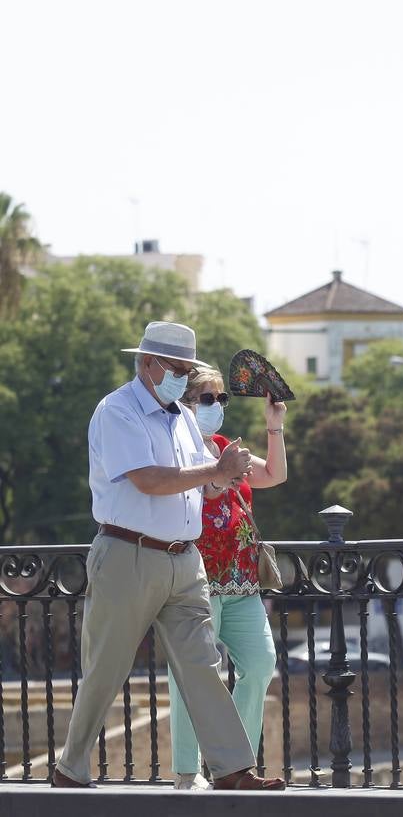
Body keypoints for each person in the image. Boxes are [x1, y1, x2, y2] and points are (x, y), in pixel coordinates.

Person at [53, 321, 285, 791]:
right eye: (176, 368)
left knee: (203, 664)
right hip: (128, 555)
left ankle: (231, 769)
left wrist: (223, 478)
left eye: (186, 368)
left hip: (184, 560)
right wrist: (213, 470)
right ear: (146, 363)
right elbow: (149, 479)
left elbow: (198, 485)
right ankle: (70, 769)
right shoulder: (117, 411)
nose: (182, 376)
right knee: (106, 668)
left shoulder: (180, 415)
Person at [168, 366, 287, 790]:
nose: (217, 406)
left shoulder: (224, 447)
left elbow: (274, 476)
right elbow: (193, 497)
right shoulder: (175, 451)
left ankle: (232, 763)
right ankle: (187, 771)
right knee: (192, 676)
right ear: (185, 402)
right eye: (207, 399)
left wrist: (275, 428)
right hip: (196, 578)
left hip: (241, 582)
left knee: (260, 664)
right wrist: (219, 477)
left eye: (222, 399)